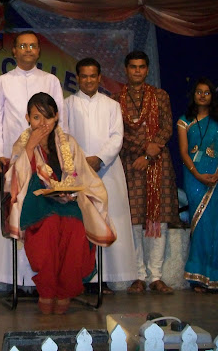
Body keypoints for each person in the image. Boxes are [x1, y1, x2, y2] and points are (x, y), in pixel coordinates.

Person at [4, 92, 116, 314]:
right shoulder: (23, 142)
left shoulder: (68, 143)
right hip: (35, 202)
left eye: (47, 116)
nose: (42, 123)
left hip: (68, 202)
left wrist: (72, 191)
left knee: (75, 227)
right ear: (27, 118)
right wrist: (30, 148)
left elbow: (84, 176)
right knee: (50, 226)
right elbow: (13, 180)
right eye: (36, 117)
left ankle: (65, 291)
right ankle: (47, 291)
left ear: (56, 116)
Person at [0, 30, 64, 289]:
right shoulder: (2, 82)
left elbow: (60, 120)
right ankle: (12, 279)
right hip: (12, 160)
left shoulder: (50, 81)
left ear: (39, 51)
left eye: (33, 46)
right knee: (12, 214)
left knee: (41, 216)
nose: (28, 50)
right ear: (14, 51)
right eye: (23, 46)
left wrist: (59, 156)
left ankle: (40, 277)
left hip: (45, 161)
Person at [64, 58, 136, 294]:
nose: (88, 80)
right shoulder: (66, 105)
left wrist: (100, 158)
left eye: (92, 76)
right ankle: (83, 277)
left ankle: (105, 278)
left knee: (108, 219)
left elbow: (117, 137)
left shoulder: (111, 105)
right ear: (77, 78)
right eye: (84, 76)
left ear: (99, 78)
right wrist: (81, 162)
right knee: (82, 223)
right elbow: (63, 137)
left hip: (108, 170)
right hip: (77, 172)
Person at [117, 50, 179, 295]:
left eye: (141, 67)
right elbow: (119, 133)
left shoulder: (160, 96)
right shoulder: (116, 99)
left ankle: (156, 276)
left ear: (147, 69)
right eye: (133, 67)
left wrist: (150, 153)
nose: (137, 71)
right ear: (126, 69)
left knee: (157, 220)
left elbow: (166, 127)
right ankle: (138, 276)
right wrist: (141, 152)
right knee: (134, 220)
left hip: (157, 163)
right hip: (131, 163)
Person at [177, 77, 218, 291]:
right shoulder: (184, 121)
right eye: (199, 92)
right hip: (194, 178)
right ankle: (200, 277)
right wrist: (197, 174)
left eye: (207, 92)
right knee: (201, 225)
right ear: (193, 95)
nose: (203, 96)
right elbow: (184, 152)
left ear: (212, 96)